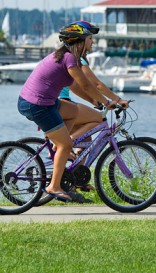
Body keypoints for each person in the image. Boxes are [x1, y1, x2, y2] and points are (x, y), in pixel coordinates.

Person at [17, 22, 116, 203]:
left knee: (72, 111)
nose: (93, 43)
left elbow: (75, 85)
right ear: (79, 41)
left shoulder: (66, 57)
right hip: (37, 104)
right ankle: (54, 186)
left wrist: (94, 101)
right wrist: (108, 102)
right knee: (66, 145)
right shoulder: (69, 58)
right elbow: (87, 84)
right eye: (90, 39)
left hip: (40, 102)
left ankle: (57, 146)